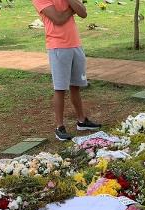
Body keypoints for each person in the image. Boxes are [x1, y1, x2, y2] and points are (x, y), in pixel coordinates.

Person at [32, 0, 101, 140]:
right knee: (60, 88)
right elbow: (58, 19)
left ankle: (82, 121)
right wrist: (72, 8)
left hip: (75, 44)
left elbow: (83, 13)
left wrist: (71, 5)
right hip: (57, 46)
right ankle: (60, 127)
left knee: (75, 86)